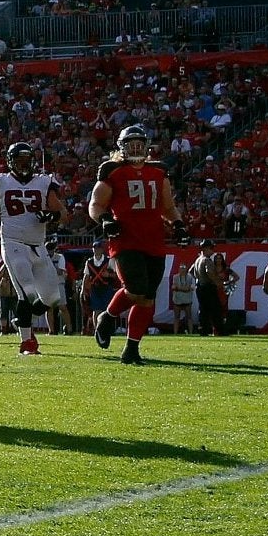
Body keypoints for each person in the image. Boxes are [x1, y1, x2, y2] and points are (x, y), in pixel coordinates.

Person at [87, 125, 176, 365]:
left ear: (147, 146)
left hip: (154, 239)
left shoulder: (158, 172)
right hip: (125, 240)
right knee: (136, 289)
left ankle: (131, 348)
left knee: (147, 297)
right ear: (121, 147)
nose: (136, 148)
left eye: (139, 143)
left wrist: (177, 224)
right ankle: (108, 316)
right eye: (130, 144)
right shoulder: (113, 171)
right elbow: (95, 204)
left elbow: (167, 207)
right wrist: (106, 220)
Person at [0, 141, 66, 355]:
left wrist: (51, 216)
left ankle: (22, 320)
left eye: (26, 160)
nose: (23, 164)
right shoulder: (0, 181)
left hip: (38, 245)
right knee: (27, 291)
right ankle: (27, 342)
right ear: (10, 162)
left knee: (52, 297)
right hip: (13, 243)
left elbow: (62, 212)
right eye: (19, 160)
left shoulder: (43, 181)